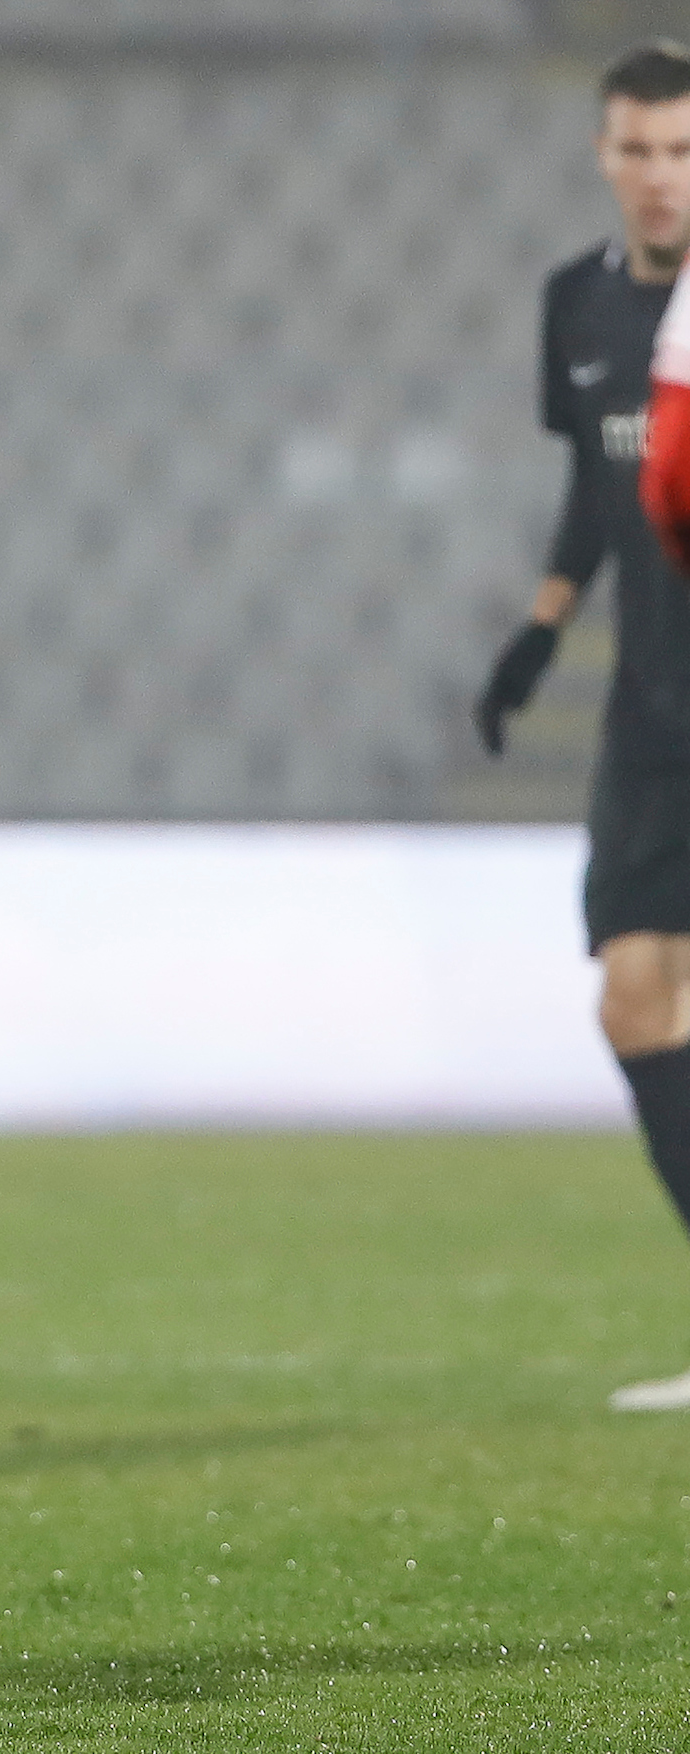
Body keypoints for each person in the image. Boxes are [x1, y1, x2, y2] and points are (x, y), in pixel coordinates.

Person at [475, 41, 690, 1412]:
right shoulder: (581, 308)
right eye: (638, 149)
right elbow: (594, 490)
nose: (661, 175)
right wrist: (542, 630)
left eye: (682, 150)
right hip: (652, 705)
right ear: (606, 154)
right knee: (631, 993)